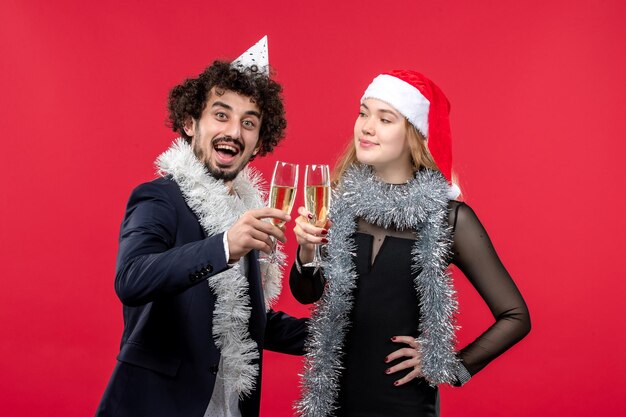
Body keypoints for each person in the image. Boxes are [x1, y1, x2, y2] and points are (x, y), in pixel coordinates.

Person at [290, 70, 531, 417]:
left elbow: (515, 316)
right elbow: (307, 294)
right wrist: (307, 250)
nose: (366, 127)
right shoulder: (340, 203)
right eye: (363, 113)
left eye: (385, 119)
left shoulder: (448, 218)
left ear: (415, 135)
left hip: (403, 404)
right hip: (332, 400)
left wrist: (448, 364)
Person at [96, 36, 308, 417]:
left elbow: (243, 320)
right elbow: (131, 278)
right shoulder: (159, 198)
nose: (234, 132)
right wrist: (225, 245)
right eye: (221, 115)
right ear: (191, 122)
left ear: (259, 142)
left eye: (249, 123)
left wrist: (337, 336)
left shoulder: (245, 211)